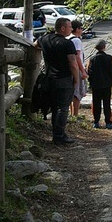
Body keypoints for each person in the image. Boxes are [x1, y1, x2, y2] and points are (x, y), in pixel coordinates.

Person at [34, 17, 80, 145]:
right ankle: (59, 136)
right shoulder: (67, 43)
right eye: (70, 27)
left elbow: (35, 45)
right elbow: (73, 63)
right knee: (62, 108)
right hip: (63, 79)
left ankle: (57, 133)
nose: (71, 29)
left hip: (49, 79)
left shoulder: (44, 39)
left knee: (54, 106)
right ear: (63, 28)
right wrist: (76, 79)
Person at [87, 40, 112, 129]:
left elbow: (90, 71)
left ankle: (96, 121)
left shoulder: (92, 58)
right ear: (104, 47)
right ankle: (108, 122)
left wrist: (90, 81)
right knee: (106, 103)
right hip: (106, 84)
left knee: (96, 103)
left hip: (96, 84)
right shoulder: (109, 58)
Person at [69, 20, 88, 118]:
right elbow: (77, 56)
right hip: (77, 69)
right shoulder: (76, 40)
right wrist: (82, 70)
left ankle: (72, 113)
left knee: (72, 92)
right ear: (77, 29)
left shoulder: (69, 38)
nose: (82, 31)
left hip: (71, 69)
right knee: (77, 93)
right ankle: (75, 114)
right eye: (81, 28)